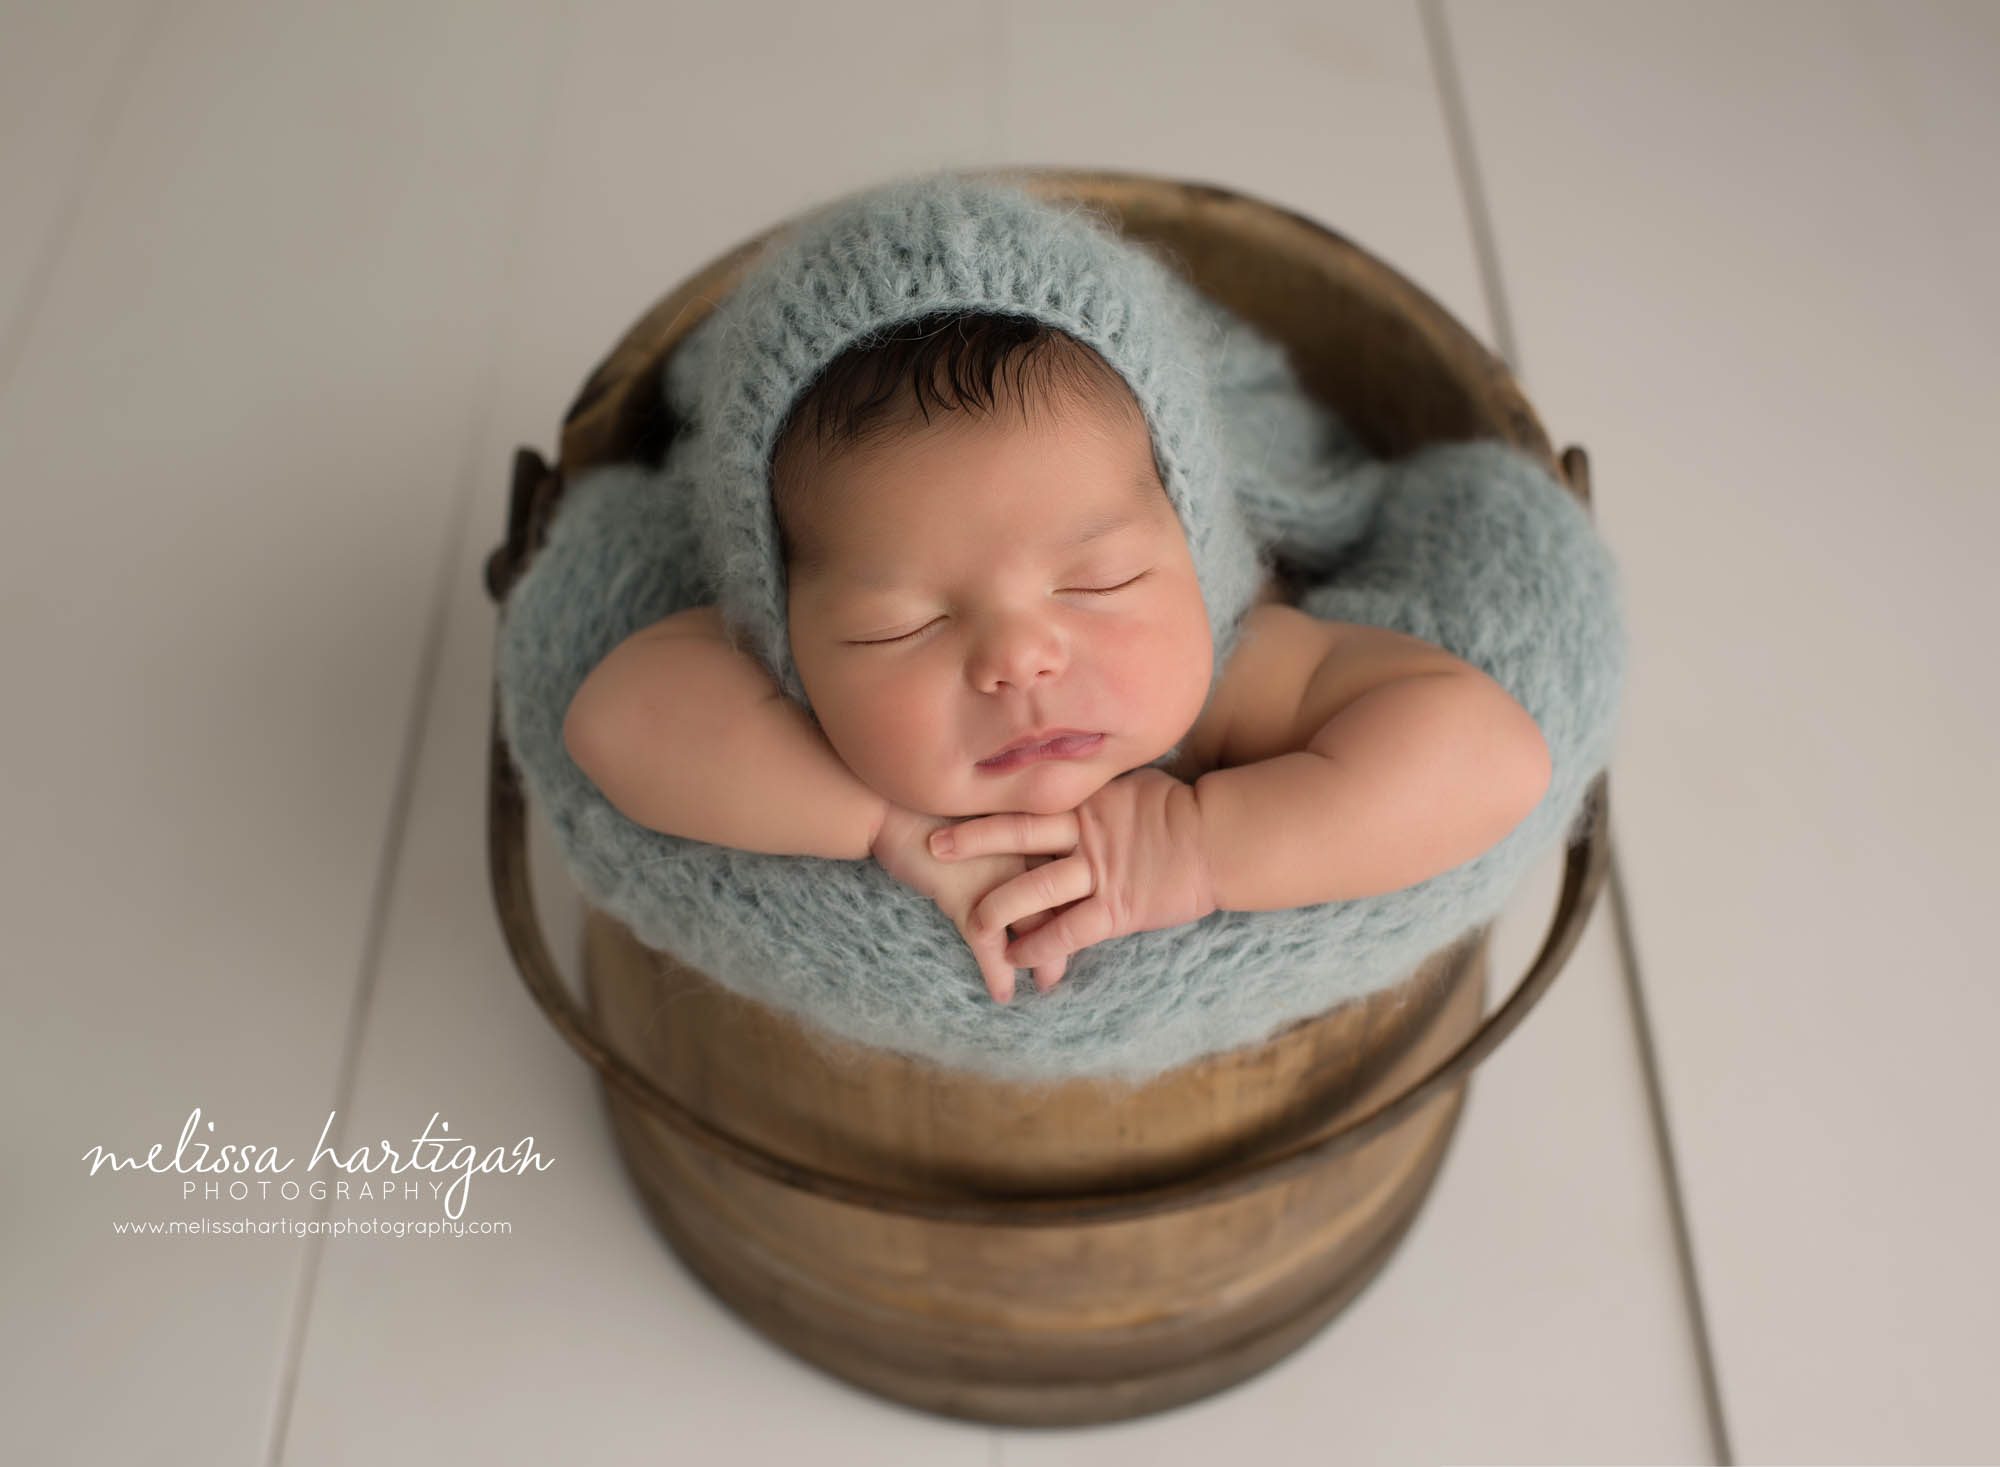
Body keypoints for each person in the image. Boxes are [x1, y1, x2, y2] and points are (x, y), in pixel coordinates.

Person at [562, 309, 1552, 1006]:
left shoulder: (1227, 667)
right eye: (900, 626)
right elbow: (619, 719)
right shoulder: (786, 671)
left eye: (1099, 582)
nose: (1019, 658)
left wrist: (1198, 845)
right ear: (784, 636)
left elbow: (1488, 754)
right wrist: (877, 819)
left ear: (1188, 558)